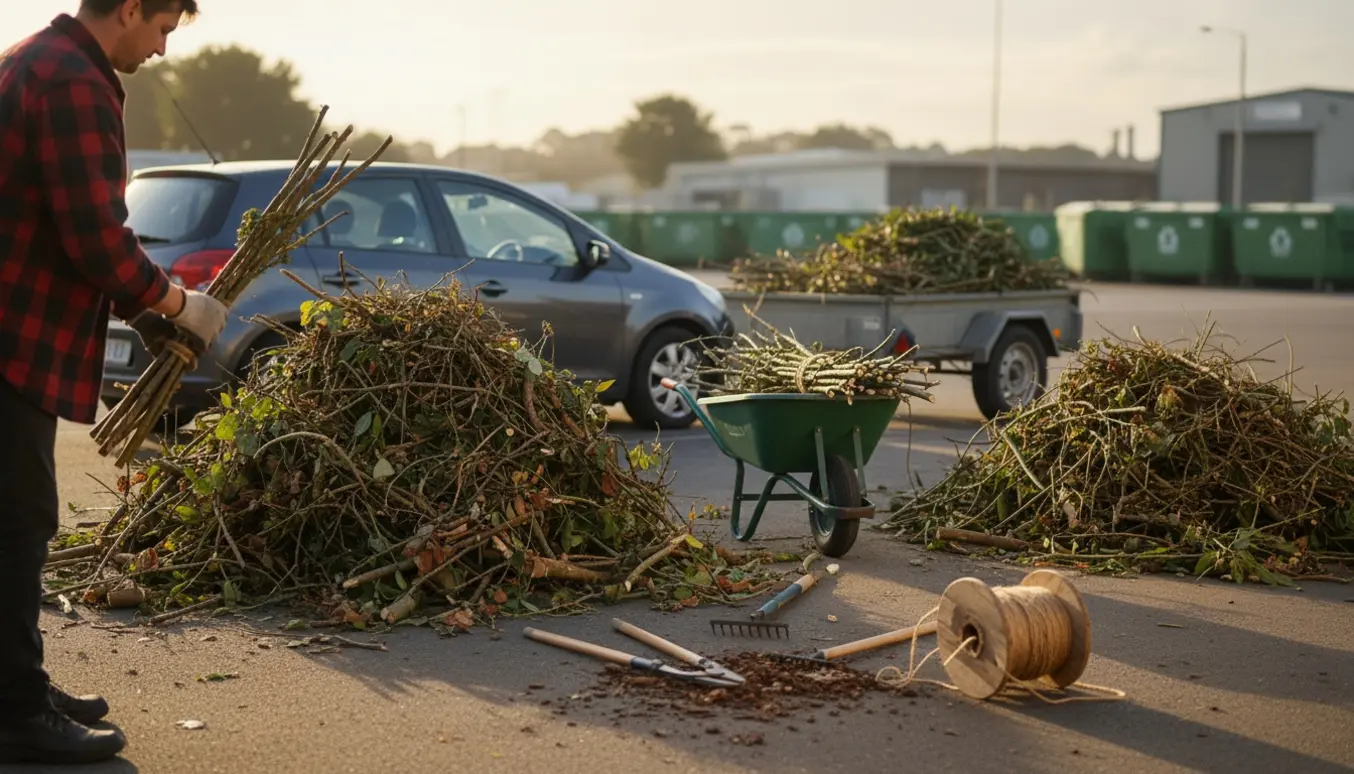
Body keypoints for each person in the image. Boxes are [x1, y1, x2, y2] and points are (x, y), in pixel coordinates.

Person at [0, 0, 227, 765]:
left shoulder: (34, 58)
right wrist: (179, 302)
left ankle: (15, 684)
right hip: (9, 339)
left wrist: (149, 310)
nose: (163, 49)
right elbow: (95, 234)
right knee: (18, 524)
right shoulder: (71, 80)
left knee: (14, 519)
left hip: (11, 330)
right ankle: (15, 712)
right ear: (130, 8)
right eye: (163, 28)